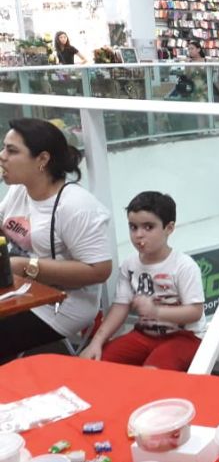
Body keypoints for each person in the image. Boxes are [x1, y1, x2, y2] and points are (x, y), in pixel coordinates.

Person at [0, 119, 112, 361]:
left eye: (12, 151)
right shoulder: (19, 189)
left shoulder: (75, 206)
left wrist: (26, 267)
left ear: (42, 159)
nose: (2, 156)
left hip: (63, 304)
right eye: (3, 148)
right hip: (21, 289)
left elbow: (99, 270)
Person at [80, 192, 205, 370]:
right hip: (144, 335)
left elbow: (195, 312)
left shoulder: (184, 266)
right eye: (133, 227)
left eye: (148, 227)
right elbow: (120, 307)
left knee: (151, 374)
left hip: (185, 338)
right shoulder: (129, 265)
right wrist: (97, 342)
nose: (138, 235)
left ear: (169, 228)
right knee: (98, 364)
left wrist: (156, 311)